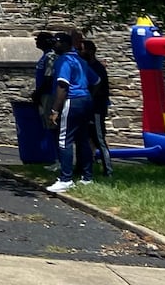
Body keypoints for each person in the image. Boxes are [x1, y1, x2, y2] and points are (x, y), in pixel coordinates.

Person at [45, 30, 94, 193]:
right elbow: (96, 81)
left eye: (57, 42)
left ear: (66, 44)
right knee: (83, 139)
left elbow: (62, 86)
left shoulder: (64, 61)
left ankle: (66, 179)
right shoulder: (80, 60)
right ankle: (87, 177)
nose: (54, 45)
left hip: (71, 101)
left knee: (64, 139)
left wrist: (55, 110)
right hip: (85, 100)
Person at [82, 38, 113, 178]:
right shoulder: (85, 66)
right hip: (87, 108)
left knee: (99, 139)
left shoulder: (98, 68)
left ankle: (108, 170)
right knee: (86, 138)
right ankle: (85, 167)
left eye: (82, 49)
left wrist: (90, 97)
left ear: (90, 51)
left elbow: (99, 88)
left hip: (97, 109)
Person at [31, 30, 57, 109]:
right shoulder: (45, 55)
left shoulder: (51, 56)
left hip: (48, 94)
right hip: (43, 93)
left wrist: (39, 93)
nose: (37, 42)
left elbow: (48, 78)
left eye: (39, 40)